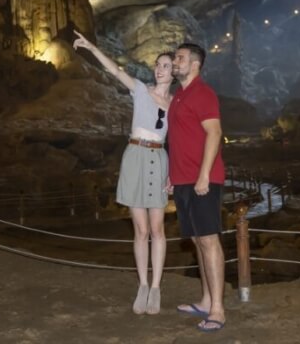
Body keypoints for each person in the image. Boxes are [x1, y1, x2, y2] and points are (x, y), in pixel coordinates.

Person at [72, 30, 173, 315]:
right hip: (134, 155)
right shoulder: (141, 90)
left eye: (166, 65)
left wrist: (174, 173)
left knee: (157, 229)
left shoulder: (176, 105)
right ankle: (142, 285)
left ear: (173, 73)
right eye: (158, 64)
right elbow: (115, 70)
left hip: (159, 157)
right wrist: (92, 47)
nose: (160, 68)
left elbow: (180, 139)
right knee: (140, 230)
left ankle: (156, 288)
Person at [167, 42, 226, 333]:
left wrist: (203, 175)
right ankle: (205, 300)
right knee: (197, 242)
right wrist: (172, 174)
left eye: (179, 58)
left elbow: (214, 133)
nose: (175, 62)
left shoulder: (203, 93)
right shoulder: (179, 95)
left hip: (203, 180)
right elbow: (179, 139)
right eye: (175, 58)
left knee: (209, 240)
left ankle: (218, 310)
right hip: (183, 179)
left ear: (195, 64)